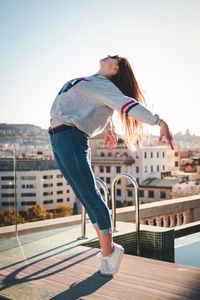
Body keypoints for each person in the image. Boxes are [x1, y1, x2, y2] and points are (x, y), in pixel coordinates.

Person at [49, 55, 174, 276]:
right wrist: (108, 129)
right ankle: (109, 251)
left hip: (70, 137)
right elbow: (95, 105)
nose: (107, 55)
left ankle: (109, 253)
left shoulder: (104, 85)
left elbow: (128, 106)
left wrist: (159, 121)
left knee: (90, 195)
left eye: (113, 58)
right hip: (58, 138)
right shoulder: (93, 82)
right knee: (83, 195)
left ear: (115, 68)